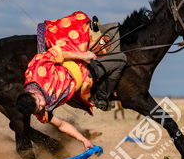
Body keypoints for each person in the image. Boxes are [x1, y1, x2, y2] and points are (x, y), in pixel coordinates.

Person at [15, 11, 125, 149]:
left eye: (40, 103)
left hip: (79, 65)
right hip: (82, 84)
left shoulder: (37, 70)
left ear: (32, 94)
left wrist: (83, 55)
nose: (44, 107)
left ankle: (104, 93)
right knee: (120, 59)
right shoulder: (40, 112)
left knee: (117, 47)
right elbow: (61, 125)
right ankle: (102, 95)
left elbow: (56, 53)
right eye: (40, 108)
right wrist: (83, 140)